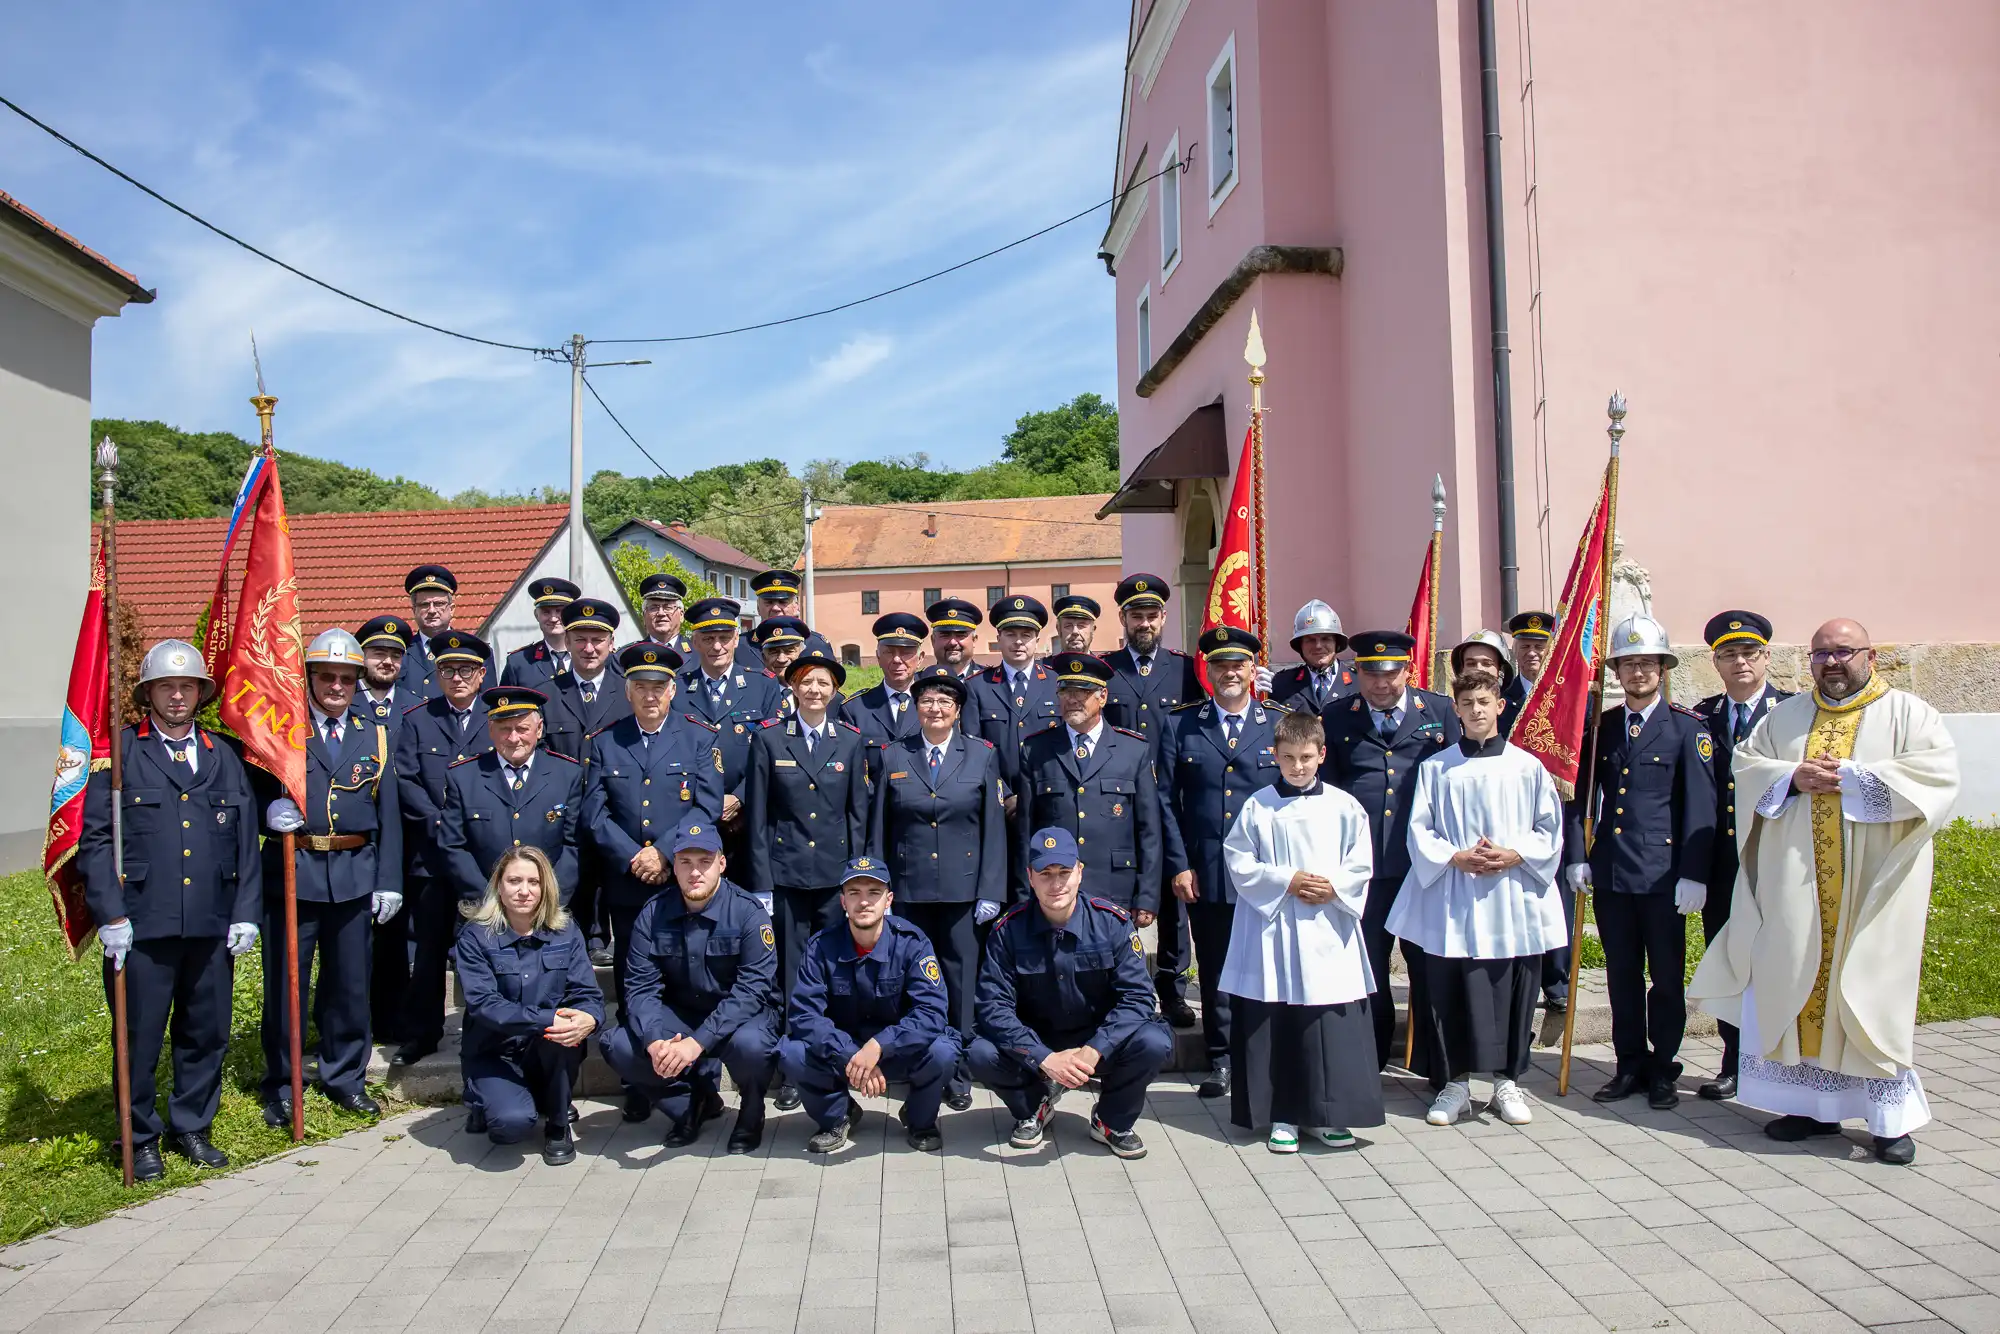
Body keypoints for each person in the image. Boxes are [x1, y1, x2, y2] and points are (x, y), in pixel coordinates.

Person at [1690, 619, 1958, 1165]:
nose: (1831, 663)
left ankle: (1888, 1122)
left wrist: (1856, 780)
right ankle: (1811, 1108)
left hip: (1875, 889)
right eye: (1820, 654)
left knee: (1871, 993)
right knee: (1796, 982)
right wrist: (1792, 778)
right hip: (1799, 887)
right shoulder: (1784, 718)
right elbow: (1748, 766)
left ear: (1871, 655)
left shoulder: (1909, 714)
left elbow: (1937, 777)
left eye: (1843, 652)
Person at [78, 640, 262, 1180]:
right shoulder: (119, 754)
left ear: (200, 693)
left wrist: (246, 910)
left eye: (186, 687)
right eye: (166, 687)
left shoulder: (223, 754)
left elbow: (245, 839)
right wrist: (110, 915)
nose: (177, 696)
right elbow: (95, 841)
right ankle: (137, 1135)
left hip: (209, 921)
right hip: (141, 924)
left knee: (206, 1032)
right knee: (139, 1037)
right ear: (148, 694)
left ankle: (192, 1125)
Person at [1390, 669, 1567, 1128]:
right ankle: (1455, 1084)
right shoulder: (1437, 767)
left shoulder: (1527, 767)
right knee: (1449, 987)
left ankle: (1507, 1082)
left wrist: (1515, 853)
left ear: (1500, 706)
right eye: (1467, 704)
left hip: (1512, 894)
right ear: (1457, 709)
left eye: (1484, 702)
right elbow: (1419, 829)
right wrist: (1454, 856)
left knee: (1514, 986)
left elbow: (1549, 828)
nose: (1476, 711)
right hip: (1455, 894)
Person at [1565, 614, 1716, 1109]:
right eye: (1628, 664)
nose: (1637, 673)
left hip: (1664, 877)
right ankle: (1628, 1062)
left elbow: (1701, 806)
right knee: (1621, 974)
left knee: (1667, 979)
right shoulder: (1603, 727)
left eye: (1647, 663)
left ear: (1663, 668)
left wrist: (1694, 873)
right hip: (1611, 872)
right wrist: (1577, 857)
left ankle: (1663, 1067)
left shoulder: (1686, 729)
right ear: (1617, 672)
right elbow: (1582, 798)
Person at [1220, 709, 1383, 1152]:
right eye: (1288, 757)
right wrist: (1286, 881)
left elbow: (1361, 862)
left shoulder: (1344, 806)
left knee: (1326, 1024)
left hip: (1328, 930)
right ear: (1274, 755)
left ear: (1322, 754)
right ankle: (1283, 1115)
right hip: (1272, 930)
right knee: (1280, 1022)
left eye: (1306, 757)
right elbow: (1238, 860)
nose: (1297, 766)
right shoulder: (1259, 806)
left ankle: (1329, 1115)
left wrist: (1334, 887)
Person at [257, 629, 401, 1125]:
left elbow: (389, 813)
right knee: (286, 986)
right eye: (327, 677)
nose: (337, 686)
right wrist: (265, 814)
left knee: (348, 985)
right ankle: (282, 1081)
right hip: (294, 872)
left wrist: (389, 880)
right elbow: (252, 794)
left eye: (346, 678)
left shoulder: (374, 732)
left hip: (354, 873)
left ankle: (345, 1076)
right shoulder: (283, 729)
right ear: (310, 679)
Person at [583, 640, 725, 1121]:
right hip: (628, 882)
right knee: (631, 977)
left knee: (688, 976)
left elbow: (707, 806)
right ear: (627, 692)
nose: (650, 695)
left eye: (658, 687)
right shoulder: (606, 741)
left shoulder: (698, 738)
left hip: (680, 879)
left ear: (672, 691)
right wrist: (634, 856)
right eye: (640, 687)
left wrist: (663, 852)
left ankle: (699, 1076)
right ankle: (640, 1080)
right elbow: (594, 813)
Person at [970, 828, 1172, 1157]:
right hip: (1038, 1042)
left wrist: (1094, 1049)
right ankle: (1033, 1106)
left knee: (1154, 1040)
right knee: (980, 1052)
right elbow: (993, 1007)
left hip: (1099, 1041)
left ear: (1080, 872)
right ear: (1030, 877)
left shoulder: (1112, 923)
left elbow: (1138, 998)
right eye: (1045, 874)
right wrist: (1044, 1057)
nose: (1056, 884)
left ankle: (1111, 1120)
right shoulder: (1008, 931)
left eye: (1064, 873)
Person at [1322, 630, 1460, 1070]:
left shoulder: (1437, 710)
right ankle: (1371, 1062)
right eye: (1369, 673)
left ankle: (1438, 1067)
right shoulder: (1337, 715)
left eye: (1391, 673)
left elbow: (1456, 781)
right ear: (1356, 671)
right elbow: (1327, 791)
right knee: (1370, 968)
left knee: (1430, 967)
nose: (1381, 684)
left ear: (1408, 670)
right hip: (1365, 868)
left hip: (1423, 866)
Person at [872, 664, 1008, 1112]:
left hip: (963, 892)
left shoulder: (982, 754)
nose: (935, 709)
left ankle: (960, 1071)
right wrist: (880, 890)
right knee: (911, 980)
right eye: (926, 701)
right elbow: (880, 830)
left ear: (957, 710)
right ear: (916, 707)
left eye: (944, 702)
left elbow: (993, 826)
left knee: (960, 981)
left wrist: (991, 890)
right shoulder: (894, 755)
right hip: (908, 893)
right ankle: (916, 1063)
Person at [600, 818, 780, 1152]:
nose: (694, 872)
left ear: (722, 864)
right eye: (685, 862)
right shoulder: (653, 914)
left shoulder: (748, 913)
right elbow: (640, 987)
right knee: (620, 1044)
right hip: (681, 1013)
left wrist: (697, 1043)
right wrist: (654, 1040)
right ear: (674, 866)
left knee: (753, 1046)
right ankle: (692, 1102)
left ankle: (752, 1110)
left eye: (704, 862)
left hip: (738, 1016)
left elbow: (752, 990)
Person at [1158, 626, 1285, 1100]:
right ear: (1207, 672)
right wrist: (1179, 864)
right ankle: (1223, 1058)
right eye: (1220, 665)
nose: (1230, 673)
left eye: (1238, 665)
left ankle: (1268, 1054)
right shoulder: (1180, 725)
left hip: (1268, 873)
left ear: (1254, 670)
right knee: (1215, 970)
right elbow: (1165, 802)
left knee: (1268, 964)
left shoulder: (1279, 723)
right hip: (1207, 870)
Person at [778, 859, 958, 1154]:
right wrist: (853, 1054)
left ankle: (919, 1119)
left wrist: (878, 1047)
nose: (864, 901)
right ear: (842, 901)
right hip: (844, 1052)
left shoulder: (912, 943)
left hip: (898, 1049)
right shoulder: (821, 947)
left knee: (944, 1051)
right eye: (854, 892)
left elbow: (932, 1011)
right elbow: (805, 1015)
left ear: (888, 900)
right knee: (792, 1051)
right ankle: (838, 1115)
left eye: (874, 892)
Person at [744, 650, 871, 1053]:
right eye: (806, 682)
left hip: (836, 877)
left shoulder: (850, 742)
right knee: (792, 966)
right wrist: (762, 883)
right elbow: (759, 817)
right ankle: (795, 1044)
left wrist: (859, 878)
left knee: (838, 959)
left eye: (823, 683)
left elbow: (857, 816)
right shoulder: (768, 738)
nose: (814, 690)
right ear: (792, 687)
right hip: (787, 874)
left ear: (835, 692)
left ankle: (838, 1043)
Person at [1687, 610, 1791, 1101]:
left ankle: (1777, 1060)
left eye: (1749, 652)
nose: (1740, 662)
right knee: (1730, 958)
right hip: (1723, 863)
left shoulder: (1792, 714)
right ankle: (1734, 1059)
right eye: (1729, 654)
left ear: (1766, 657)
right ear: (1716, 663)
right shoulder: (1702, 717)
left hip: (1778, 858)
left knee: (1778, 959)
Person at [453, 846, 602, 1165]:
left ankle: (558, 1125)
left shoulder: (566, 931)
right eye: (514, 881)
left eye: (533, 882)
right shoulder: (475, 937)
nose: (524, 891)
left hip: (545, 1050)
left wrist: (590, 1018)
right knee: (510, 1125)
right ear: (499, 887)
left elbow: (587, 992)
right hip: (494, 1052)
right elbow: (484, 1004)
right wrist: (549, 1018)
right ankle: (485, 1100)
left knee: (565, 1035)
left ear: (545, 886)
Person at [1100, 574, 1204, 1025]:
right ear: (1123, 618)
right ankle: (1121, 989)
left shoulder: (1186, 671)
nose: (1144, 622)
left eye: (1152, 614)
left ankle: (1173, 988)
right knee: (1118, 897)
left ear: (1164, 617)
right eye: (1136, 615)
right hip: (1117, 802)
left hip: (1170, 800)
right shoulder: (1104, 668)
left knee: (1173, 897)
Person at [1451, 629, 1569, 1010]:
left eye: (1487, 662)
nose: (1477, 709)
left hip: (1523, 845)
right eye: (1471, 663)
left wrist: (1520, 851)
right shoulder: (1448, 728)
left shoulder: (1545, 699)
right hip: (1468, 855)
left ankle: (1554, 980)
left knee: (1532, 933)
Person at [388, 631, 492, 1056]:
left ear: (482, 674)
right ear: (437, 674)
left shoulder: (497, 717)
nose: (457, 677)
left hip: (480, 857)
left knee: (485, 949)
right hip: (430, 858)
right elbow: (407, 780)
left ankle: (484, 1032)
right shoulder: (417, 719)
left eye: (466, 669)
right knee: (428, 951)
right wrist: (440, 824)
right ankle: (422, 1033)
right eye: (448, 669)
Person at [1013, 654, 1162, 924]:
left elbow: (1149, 831)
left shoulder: (1133, 750)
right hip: (1054, 894)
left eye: (1083, 691)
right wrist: (1025, 894)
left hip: (1115, 890)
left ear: (1102, 696)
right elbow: (1026, 830)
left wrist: (1147, 896)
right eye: (1066, 691)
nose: (1073, 699)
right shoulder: (1037, 750)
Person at [678, 597, 786, 877]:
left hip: (749, 817)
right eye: (708, 638)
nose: (717, 646)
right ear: (696, 641)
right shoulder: (677, 687)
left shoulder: (762, 684)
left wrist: (739, 797)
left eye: (724, 638)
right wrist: (710, 804)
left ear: (736, 639)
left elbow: (776, 751)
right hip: (692, 814)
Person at [965, 594, 1061, 798]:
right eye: (1010, 634)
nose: (1018, 642)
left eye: (1026, 635)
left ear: (1037, 640)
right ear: (998, 638)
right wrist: (1005, 796)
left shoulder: (1057, 683)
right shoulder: (977, 686)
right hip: (995, 799)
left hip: (1047, 795)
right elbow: (973, 751)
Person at [541, 598, 631, 760]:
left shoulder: (629, 694)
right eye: (580, 640)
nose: (589, 649)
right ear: (567, 642)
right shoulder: (546, 696)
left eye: (597, 640)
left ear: (611, 644)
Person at [398, 565, 497, 697]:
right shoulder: (400, 652)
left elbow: (487, 704)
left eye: (439, 604)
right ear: (414, 610)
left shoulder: (478, 651)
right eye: (424, 605)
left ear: (452, 609)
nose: (432, 611)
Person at [844, 613, 928, 749]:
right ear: (878, 656)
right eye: (889, 652)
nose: (896, 660)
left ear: (920, 658)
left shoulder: (936, 707)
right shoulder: (855, 708)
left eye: (905, 652)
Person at [735, 570, 835, 669]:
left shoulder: (816, 643)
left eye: (783, 602)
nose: (775, 608)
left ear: (796, 607)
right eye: (769, 602)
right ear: (758, 607)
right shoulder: (740, 646)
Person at [1267, 601, 1354, 710]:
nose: (1318, 646)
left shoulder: (1359, 682)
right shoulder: (1282, 683)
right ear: (1300, 646)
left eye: (1325, 639)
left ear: (1337, 643)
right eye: (1310, 640)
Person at [500, 577, 578, 687]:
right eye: (546, 612)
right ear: (536, 616)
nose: (553, 618)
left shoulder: (590, 657)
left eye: (559, 611)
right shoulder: (519, 663)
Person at [354, 615, 422, 735]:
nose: (388, 662)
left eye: (396, 656)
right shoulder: (343, 702)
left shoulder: (417, 708)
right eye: (379, 654)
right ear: (362, 656)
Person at [1449, 630, 1519, 736]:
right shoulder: (1447, 714)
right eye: (1471, 664)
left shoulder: (1516, 715)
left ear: (1500, 670)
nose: (1478, 669)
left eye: (1487, 663)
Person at [637, 572, 695, 660]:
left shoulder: (700, 653)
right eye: (653, 608)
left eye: (668, 607)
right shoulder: (629, 656)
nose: (661, 613)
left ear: (681, 615)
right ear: (644, 616)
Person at [926, 597, 987, 679]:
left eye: (960, 635)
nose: (953, 642)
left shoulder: (990, 681)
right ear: (933, 640)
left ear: (974, 640)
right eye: (945, 635)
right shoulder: (918, 683)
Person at [1507, 610, 1554, 700]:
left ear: (1550, 651)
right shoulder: (1501, 697)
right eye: (1525, 646)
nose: (1532, 653)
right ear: (1515, 651)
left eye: (1539, 647)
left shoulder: (1565, 693)